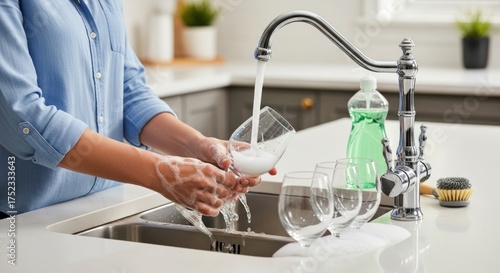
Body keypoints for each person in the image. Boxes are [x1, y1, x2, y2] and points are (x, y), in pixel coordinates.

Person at [0, 0, 269, 220]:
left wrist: (197, 146)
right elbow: (24, 119)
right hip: (24, 223)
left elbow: (129, 91)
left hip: (104, 207)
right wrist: (160, 172)